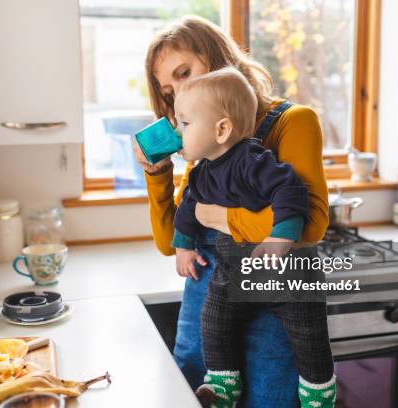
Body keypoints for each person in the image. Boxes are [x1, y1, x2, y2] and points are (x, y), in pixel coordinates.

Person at [135, 16, 329, 407]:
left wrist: (219, 217)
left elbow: (309, 227)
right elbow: (169, 243)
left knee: (269, 397)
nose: (179, 94)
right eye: (169, 89)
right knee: (193, 394)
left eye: (185, 73)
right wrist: (157, 175)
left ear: (219, 59)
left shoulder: (292, 122)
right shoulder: (203, 140)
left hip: (273, 298)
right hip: (209, 302)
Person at [171, 67, 335, 408]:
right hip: (236, 277)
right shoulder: (201, 173)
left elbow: (292, 193)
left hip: (289, 278)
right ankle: (222, 383)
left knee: (310, 338)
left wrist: (280, 237)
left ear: (222, 129)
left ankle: (319, 393)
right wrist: (183, 247)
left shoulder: (253, 161)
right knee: (213, 321)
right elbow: (187, 209)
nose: (177, 132)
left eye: (184, 124)